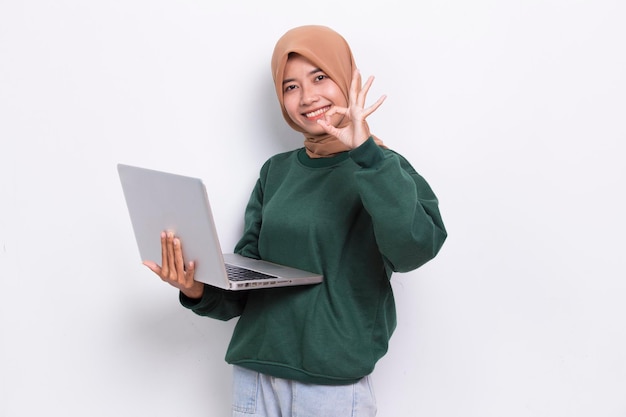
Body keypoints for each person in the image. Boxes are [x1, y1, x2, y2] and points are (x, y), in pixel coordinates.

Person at [143, 25, 447, 417]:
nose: (308, 97)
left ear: (346, 78)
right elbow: (249, 280)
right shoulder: (276, 172)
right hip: (255, 376)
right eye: (290, 86)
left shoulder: (385, 167)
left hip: (331, 387)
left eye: (320, 77)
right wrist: (198, 288)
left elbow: (415, 248)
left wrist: (367, 155)